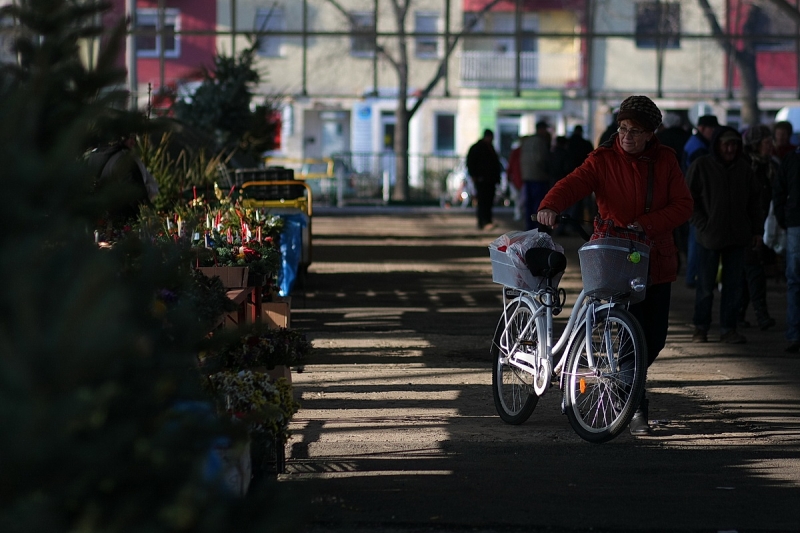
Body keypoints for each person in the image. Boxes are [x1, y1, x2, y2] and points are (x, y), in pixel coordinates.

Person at [536, 95, 693, 436]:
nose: (627, 136)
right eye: (623, 128)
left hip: (655, 259)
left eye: (635, 131)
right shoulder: (603, 159)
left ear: (652, 133)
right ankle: (634, 406)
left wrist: (647, 224)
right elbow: (574, 183)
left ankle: (625, 386)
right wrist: (549, 204)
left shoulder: (666, 161)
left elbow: (684, 206)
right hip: (615, 257)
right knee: (624, 334)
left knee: (655, 337)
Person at [686, 126, 762, 346]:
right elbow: (688, 199)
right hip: (709, 238)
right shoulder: (702, 166)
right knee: (705, 287)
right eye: (726, 144)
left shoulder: (744, 169)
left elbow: (755, 202)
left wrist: (756, 231)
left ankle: (729, 329)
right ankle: (701, 328)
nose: (730, 149)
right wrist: (703, 225)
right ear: (717, 145)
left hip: (737, 237)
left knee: (733, 287)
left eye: (734, 145)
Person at [738, 125, 777, 331]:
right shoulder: (746, 166)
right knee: (754, 273)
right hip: (749, 227)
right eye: (766, 142)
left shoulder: (771, 165)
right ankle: (762, 316)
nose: (771, 146)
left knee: (749, 275)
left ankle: (738, 315)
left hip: (765, 225)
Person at [88, 133, 159, 225]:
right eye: (130, 138)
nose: (134, 142)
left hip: (103, 221)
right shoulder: (124, 160)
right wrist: (150, 216)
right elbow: (135, 193)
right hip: (125, 223)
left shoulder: (97, 156)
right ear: (120, 138)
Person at [682, 114, 720, 288]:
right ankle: (694, 276)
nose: (714, 132)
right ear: (703, 128)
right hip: (697, 198)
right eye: (712, 129)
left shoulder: (693, 143)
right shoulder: (699, 148)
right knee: (696, 239)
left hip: (690, 196)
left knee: (694, 238)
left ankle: (693, 275)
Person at [774, 145, 800, 353]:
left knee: (795, 281)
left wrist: (785, 218)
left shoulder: (791, 159)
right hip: (794, 223)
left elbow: (779, 192)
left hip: (795, 224)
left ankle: (794, 333)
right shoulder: (790, 159)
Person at [466, 129, 503, 230]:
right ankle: (484, 221)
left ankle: (486, 221)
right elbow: (471, 163)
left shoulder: (485, 148)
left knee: (486, 201)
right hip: (483, 179)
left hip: (486, 179)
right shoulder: (483, 148)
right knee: (484, 201)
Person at [520, 121, 551, 230]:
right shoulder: (540, 142)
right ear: (541, 129)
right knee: (539, 204)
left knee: (529, 204)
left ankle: (530, 226)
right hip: (538, 176)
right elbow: (541, 159)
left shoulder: (527, 141)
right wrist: (547, 170)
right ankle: (538, 227)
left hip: (527, 176)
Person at [562, 125, 596, 225]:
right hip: (585, 176)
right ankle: (586, 222)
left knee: (570, 200)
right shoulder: (586, 144)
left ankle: (568, 224)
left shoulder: (568, 143)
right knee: (585, 201)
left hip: (569, 175)